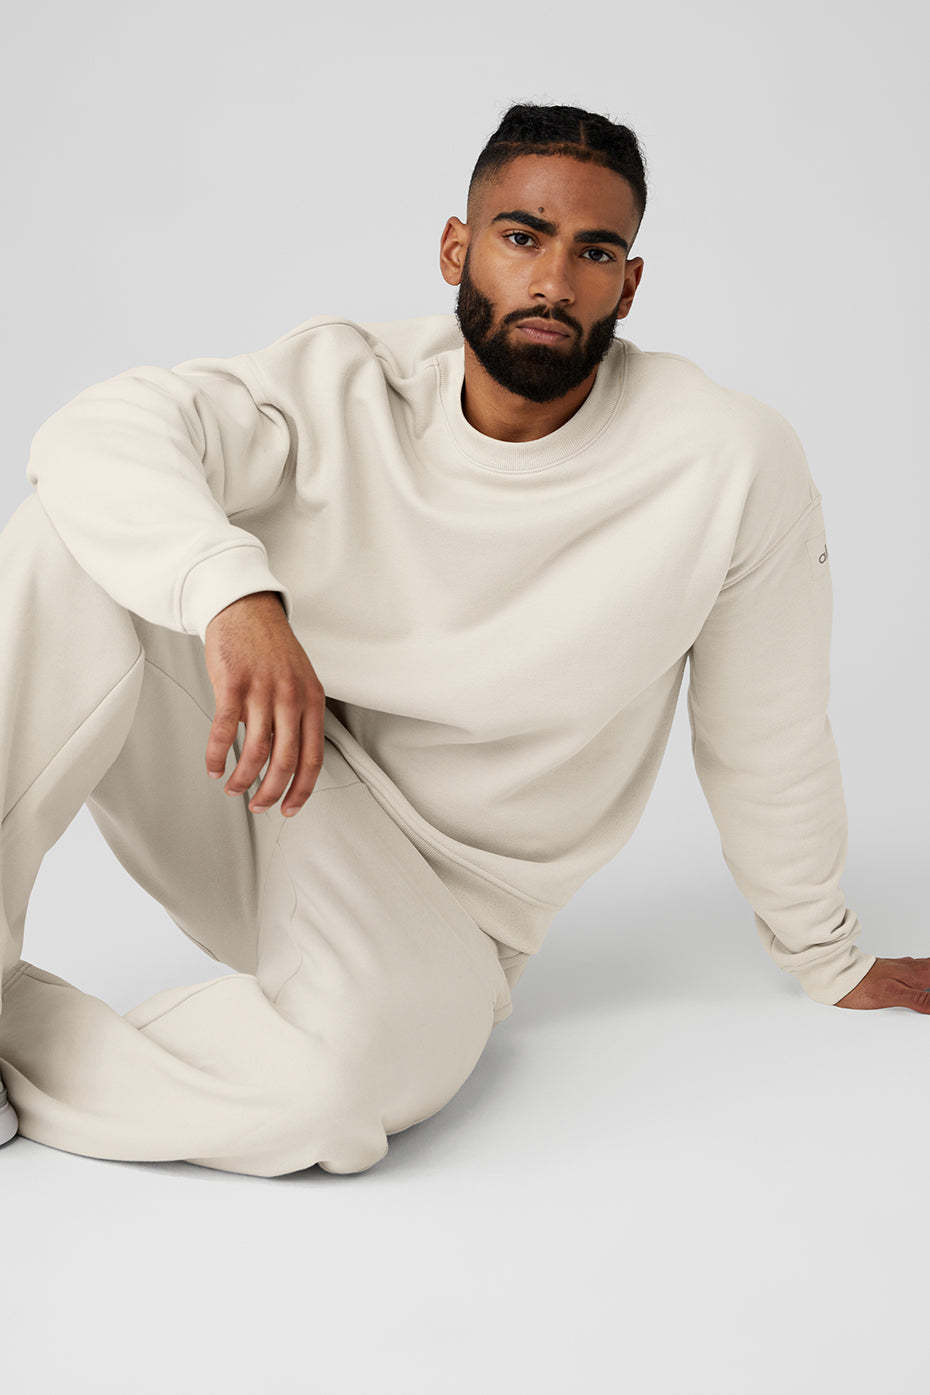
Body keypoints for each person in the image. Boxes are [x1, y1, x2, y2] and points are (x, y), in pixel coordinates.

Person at [2, 102, 924, 1176]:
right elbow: (95, 432)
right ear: (457, 248)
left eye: (595, 253)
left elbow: (766, 732)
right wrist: (234, 595)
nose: (554, 281)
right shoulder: (347, 386)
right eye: (523, 237)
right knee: (71, 534)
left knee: (328, 1102)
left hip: (445, 918)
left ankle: (25, 1041)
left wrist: (827, 954)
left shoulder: (726, 463)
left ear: (629, 286)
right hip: (268, 775)